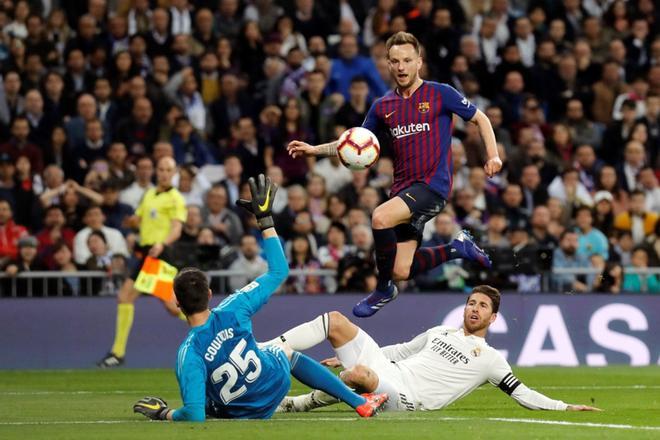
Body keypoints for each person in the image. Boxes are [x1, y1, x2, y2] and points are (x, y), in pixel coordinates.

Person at [132, 174, 388, 421]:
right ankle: (361, 403)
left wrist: (164, 413)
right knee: (284, 352)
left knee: (209, 398)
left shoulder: (188, 353)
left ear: (177, 303)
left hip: (241, 412)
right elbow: (279, 271)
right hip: (274, 386)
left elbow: (194, 415)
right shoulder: (233, 307)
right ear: (209, 294)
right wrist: (264, 219)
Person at [288, 32, 501, 317]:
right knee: (402, 269)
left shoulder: (441, 93)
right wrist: (315, 150)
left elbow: (481, 119)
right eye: (395, 61)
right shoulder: (382, 106)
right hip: (402, 191)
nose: (401, 67)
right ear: (388, 65)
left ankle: (383, 288)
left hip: (432, 186)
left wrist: (493, 154)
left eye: (407, 61)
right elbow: (355, 142)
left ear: (419, 63)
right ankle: (457, 248)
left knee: (379, 217)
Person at [275, 285, 600, 413]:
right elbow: (400, 351)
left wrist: (564, 407)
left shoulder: (490, 360)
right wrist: (347, 354)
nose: (474, 309)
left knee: (358, 374)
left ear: (493, 316)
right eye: (471, 302)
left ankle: (298, 404)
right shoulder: (440, 331)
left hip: (405, 398)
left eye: (482, 306)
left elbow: (523, 394)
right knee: (335, 321)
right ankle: (270, 350)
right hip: (389, 370)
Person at [98, 157, 187, 367]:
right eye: (161, 169)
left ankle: (213, 327)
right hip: (147, 254)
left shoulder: (175, 198)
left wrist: (162, 244)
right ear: (157, 171)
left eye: (168, 170)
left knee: (173, 307)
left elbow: (176, 229)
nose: (164, 173)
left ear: (174, 173)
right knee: (124, 297)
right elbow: (138, 219)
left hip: (161, 254)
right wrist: (131, 222)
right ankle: (117, 353)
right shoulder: (149, 195)